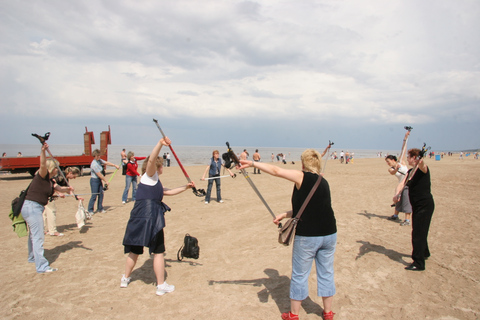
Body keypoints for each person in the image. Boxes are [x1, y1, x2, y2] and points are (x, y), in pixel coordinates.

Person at [238, 149, 337, 320]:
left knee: (299, 275)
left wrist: (253, 163)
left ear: (303, 164)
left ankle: (293, 315)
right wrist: (285, 214)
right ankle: (328, 312)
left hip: (308, 237)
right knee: (326, 272)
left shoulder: (302, 177)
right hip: (329, 234)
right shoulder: (324, 181)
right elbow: (311, 208)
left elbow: (277, 171)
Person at [121, 137, 195, 295]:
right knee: (158, 251)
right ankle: (161, 286)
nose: (161, 168)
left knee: (134, 249)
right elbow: (151, 159)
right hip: (151, 216)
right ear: (158, 166)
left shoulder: (151, 182)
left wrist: (186, 187)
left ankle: (125, 278)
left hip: (139, 215)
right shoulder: (149, 175)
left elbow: (168, 192)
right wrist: (160, 144)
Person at [21, 143, 73, 273]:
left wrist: (68, 189)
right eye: (56, 168)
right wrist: (43, 151)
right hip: (32, 207)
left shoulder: (50, 181)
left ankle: (32, 257)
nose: (57, 170)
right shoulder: (42, 175)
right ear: (51, 168)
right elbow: (43, 164)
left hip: (32, 207)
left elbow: (60, 189)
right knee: (38, 237)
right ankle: (42, 267)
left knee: (32, 235)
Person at [394, 148, 435, 271]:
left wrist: (420, 160)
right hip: (416, 206)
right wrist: (397, 194)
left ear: (414, 158)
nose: (407, 158)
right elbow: (402, 184)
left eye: (409, 156)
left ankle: (418, 263)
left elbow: (422, 165)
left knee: (417, 233)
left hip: (424, 206)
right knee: (420, 230)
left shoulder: (423, 169)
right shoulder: (410, 172)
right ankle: (425, 252)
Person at [43, 167, 82, 236]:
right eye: (74, 176)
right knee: (51, 211)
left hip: (47, 194)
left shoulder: (65, 178)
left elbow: (68, 190)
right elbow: (52, 184)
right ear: (70, 173)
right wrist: (59, 192)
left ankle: (42, 230)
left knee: (44, 212)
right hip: (47, 194)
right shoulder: (60, 176)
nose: (74, 178)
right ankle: (52, 231)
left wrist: (76, 197)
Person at [386, 131, 412, 226]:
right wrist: (395, 169)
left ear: (393, 160)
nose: (388, 163)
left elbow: (403, 149)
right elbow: (392, 172)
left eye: (388, 161)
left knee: (407, 201)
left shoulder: (402, 161)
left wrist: (405, 138)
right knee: (397, 199)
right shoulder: (391, 169)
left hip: (408, 184)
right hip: (400, 184)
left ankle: (407, 220)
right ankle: (395, 216)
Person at [88, 149, 119, 215]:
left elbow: (106, 163)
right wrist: (106, 181)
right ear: (95, 156)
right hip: (94, 181)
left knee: (101, 194)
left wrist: (114, 165)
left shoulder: (99, 161)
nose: (99, 157)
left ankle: (100, 208)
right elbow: (99, 174)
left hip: (99, 181)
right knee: (94, 195)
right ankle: (90, 210)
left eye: (100, 155)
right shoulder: (94, 164)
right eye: (98, 155)